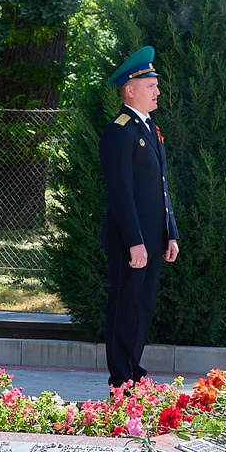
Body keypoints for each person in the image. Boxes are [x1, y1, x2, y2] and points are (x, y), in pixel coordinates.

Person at [98, 46, 179, 390]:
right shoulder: (120, 131)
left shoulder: (150, 129)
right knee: (125, 308)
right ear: (130, 89)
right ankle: (121, 379)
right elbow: (121, 193)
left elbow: (161, 187)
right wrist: (135, 242)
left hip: (152, 238)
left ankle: (134, 373)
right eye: (151, 85)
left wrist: (170, 234)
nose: (157, 91)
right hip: (131, 241)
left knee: (142, 309)